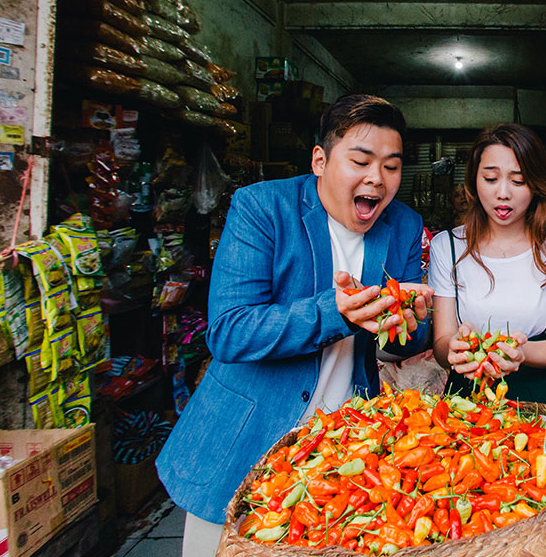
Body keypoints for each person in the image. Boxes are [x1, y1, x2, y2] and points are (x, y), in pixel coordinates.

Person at [157, 94, 433, 556]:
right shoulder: (262, 209)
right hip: (247, 441)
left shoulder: (404, 225)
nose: (376, 179)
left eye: (391, 166)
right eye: (361, 161)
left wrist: (407, 323)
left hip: (342, 450)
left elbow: (400, 346)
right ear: (320, 161)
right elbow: (228, 331)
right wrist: (334, 312)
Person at [428, 123, 546, 412]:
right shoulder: (447, 246)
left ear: (536, 183)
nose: (503, 193)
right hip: (466, 400)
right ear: (474, 181)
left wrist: (520, 353)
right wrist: (453, 348)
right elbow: (442, 341)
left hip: (540, 397)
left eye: (518, 181)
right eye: (490, 178)